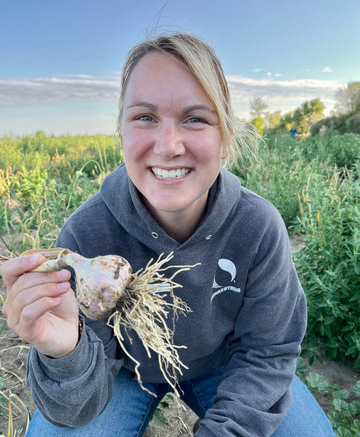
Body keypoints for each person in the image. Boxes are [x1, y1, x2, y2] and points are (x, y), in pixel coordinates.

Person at [1, 32, 335, 437]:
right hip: (124, 371)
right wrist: (66, 351)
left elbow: (267, 353)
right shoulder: (87, 232)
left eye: (195, 118)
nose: (169, 145)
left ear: (226, 137)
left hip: (224, 364)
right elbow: (73, 409)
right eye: (145, 117)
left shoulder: (258, 227)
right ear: (121, 131)